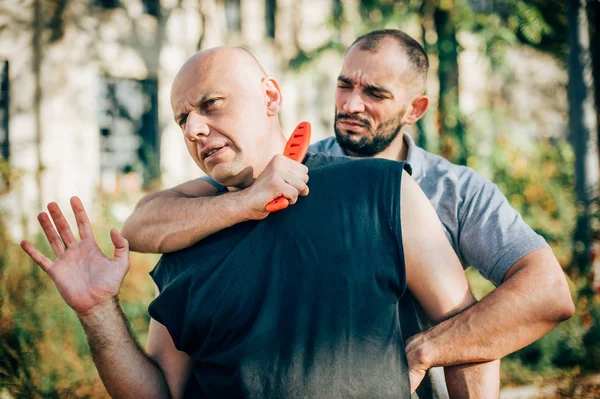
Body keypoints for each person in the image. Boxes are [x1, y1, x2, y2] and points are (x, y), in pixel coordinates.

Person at [21, 46, 500, 398]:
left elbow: (466, 334)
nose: (194, 129)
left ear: (270, 96)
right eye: (182, 118)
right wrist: (97, 311)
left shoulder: (379, 190)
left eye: (210, 105)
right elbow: (159, 393)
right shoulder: (184, 238)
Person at [121, 29, 575, 398]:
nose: (352, 104)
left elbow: (546, 293)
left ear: (415, 109)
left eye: (374, 92)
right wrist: (243, 201)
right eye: (344, 85)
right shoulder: (288, 169)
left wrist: (424, 350)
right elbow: (146, 220)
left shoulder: (451, 190)